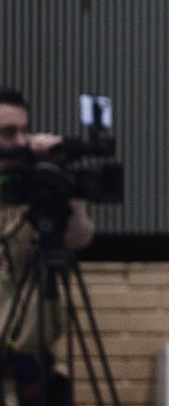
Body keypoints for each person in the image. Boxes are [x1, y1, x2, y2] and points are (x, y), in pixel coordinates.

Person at [0, 87, 96, 406]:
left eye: (23, 131)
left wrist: (63, 182)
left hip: (35, 358)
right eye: (7, 133)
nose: (20, 142)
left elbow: (79, 238)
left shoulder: (38, 185)